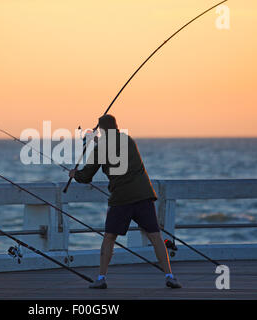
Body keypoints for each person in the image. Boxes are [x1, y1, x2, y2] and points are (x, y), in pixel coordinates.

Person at [69, 114, 181, 289]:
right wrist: (95, 142)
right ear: (116, 127)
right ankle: (170, 275)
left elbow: (86, 176)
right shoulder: (128, 140)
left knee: (109, 237)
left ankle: (101, 278)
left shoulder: (100, 149)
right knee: (155, 236)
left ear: (102, 130)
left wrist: (74, 173)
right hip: (144, 195)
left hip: (122, 199)